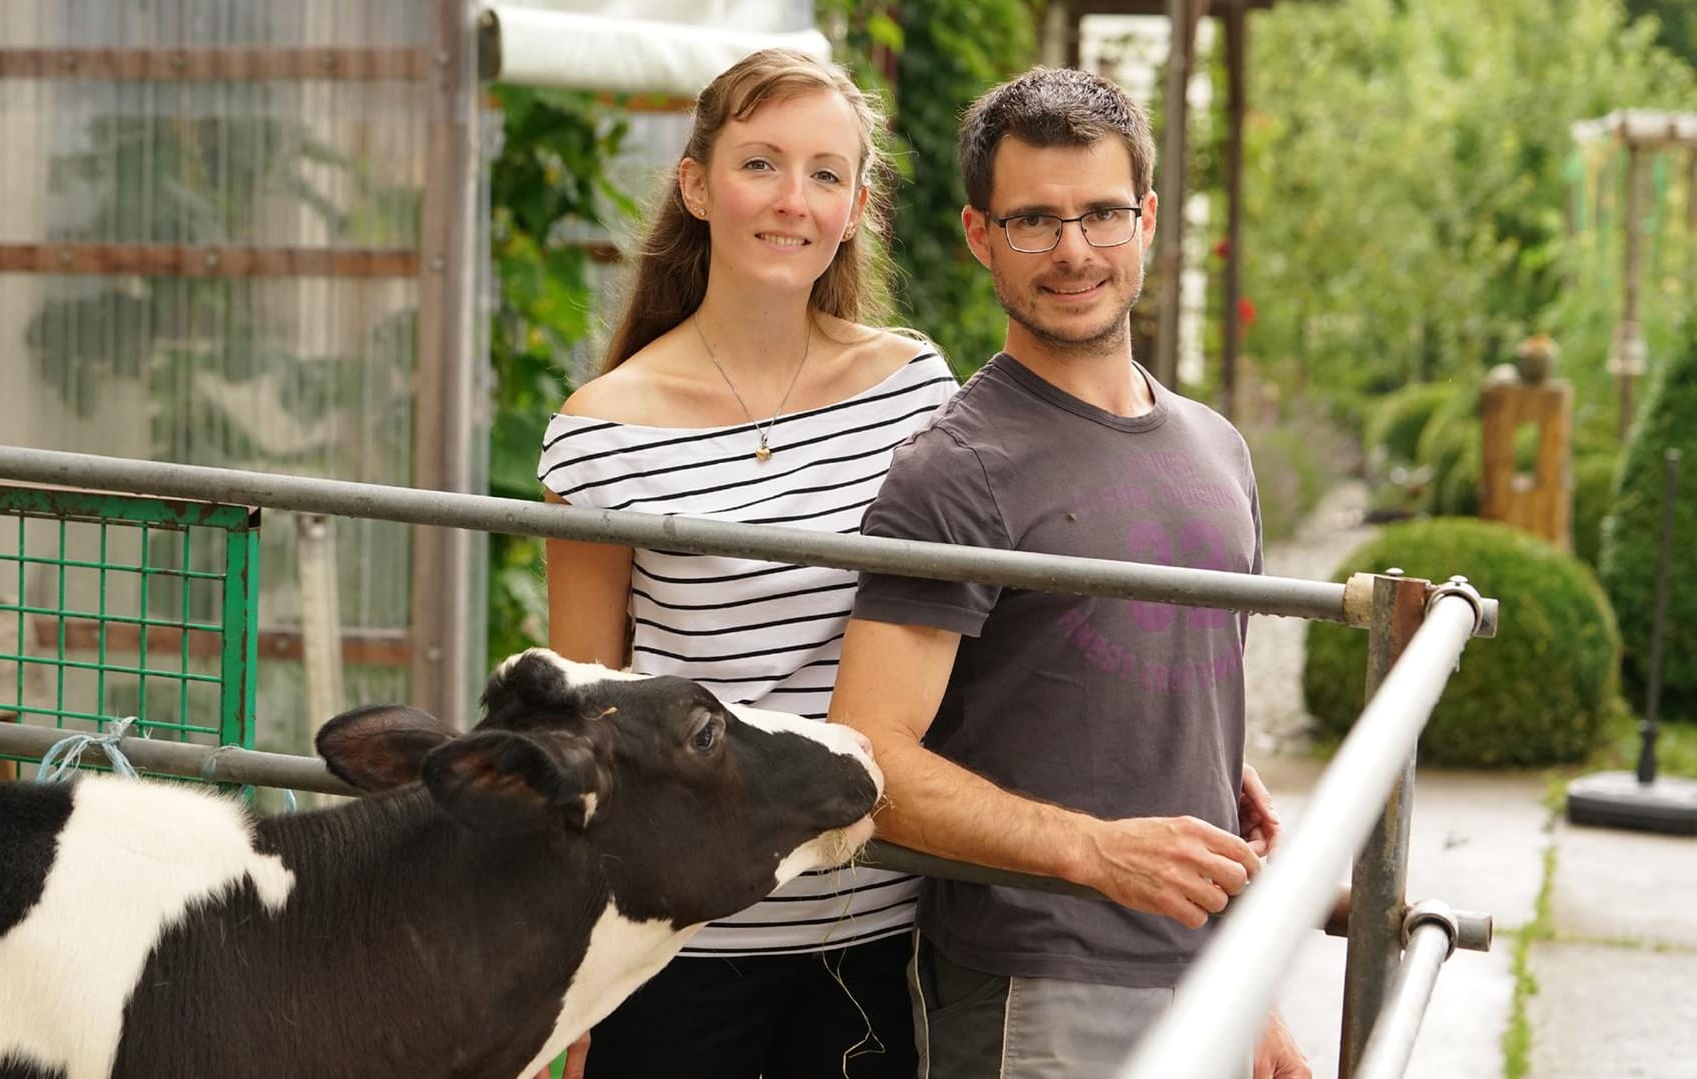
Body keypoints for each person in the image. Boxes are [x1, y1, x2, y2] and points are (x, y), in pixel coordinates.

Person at [827, 67, 1310, 1078]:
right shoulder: (954, 471)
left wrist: (1246, 981)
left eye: (1100, 213)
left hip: (1207, 976)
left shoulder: (1218, 449)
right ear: (978, 234)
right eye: (1034, 221)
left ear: (1147, 215)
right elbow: (868, 753)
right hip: (1039, 988)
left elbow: (1178, 729)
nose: (1075, 252)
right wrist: (1094, 850)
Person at [535, 48, 958, 1079]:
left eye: (826, 173)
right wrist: (565, 968)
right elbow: (582, 709)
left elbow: (981, 639)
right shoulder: (602, 432)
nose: (793, 200)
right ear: (696, 183)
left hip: (872, 922)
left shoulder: (914, 389)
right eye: (760, 163)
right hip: (675, 934)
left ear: (857, 205)